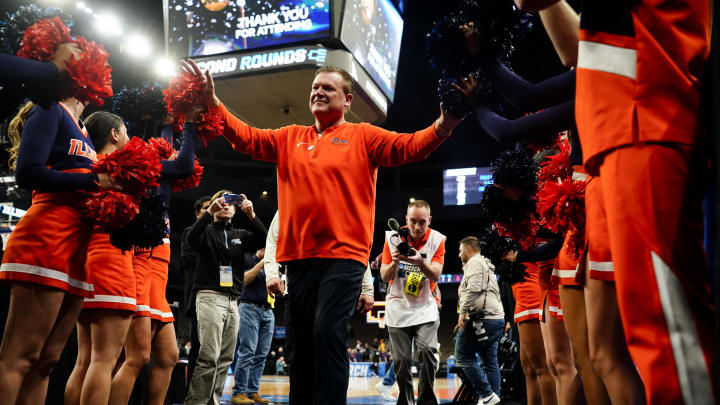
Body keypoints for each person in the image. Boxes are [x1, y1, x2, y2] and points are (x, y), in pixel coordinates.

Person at [181, 58, 461, 404]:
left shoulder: (363, 135)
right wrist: (213, 104)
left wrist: (445, 124)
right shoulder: (289, 137)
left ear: (348, 100)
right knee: (300, 344)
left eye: (328, 87)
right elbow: (245, 138)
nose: (318, 92)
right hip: (298, 259)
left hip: (343, 257)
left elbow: (409, 146)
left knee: (327, 332)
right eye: (315, 87)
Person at [0, 96, 119, 404]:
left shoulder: (84, 131)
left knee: (46, 363)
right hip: (46, 239)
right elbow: (28, 173)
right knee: (20, 357)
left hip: (78, 252)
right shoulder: (50, 109)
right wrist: (94, 180)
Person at [109, 111, 200, 405]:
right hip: (141, 260)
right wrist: (189, 123)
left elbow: (165, 148)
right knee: (136, 358)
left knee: (169, 356)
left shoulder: (153, 164)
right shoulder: (137, 166)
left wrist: (168, 123)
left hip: (159, 265)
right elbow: (182, 164)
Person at [63, 112, 133, 405]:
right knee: (104, 361)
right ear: (114, 135)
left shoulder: (86, 166)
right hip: (113, 265)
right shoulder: (120, 172)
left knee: (85, 360)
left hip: (86, 264)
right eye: (125, 132)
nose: (129, 138)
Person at [184, 190, 267, 405]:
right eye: (222, 203)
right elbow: (192, 238)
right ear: (213, 207)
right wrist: (207, 214)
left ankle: (214, 401)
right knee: (208, 357)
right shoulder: (204, 231)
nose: (227, 206)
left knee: (225, 359)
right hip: (210, 297)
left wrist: (251, 215)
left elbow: (266, 240)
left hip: (233, 301)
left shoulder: (239, 234)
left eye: (232, 204)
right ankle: (196, 403)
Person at [380, 200, 446, 405]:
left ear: (430, 220)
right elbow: (383, 275)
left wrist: (419, 262)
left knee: (426, 351)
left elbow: (435, 274)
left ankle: (426, 401)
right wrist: (395, 262)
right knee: (401, 361)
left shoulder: (437, 240)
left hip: (425, 307)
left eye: (422, 222)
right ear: (406, 220)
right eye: (413, 222)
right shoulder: (392, 238)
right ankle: (405, 400)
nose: (417, 227)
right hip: (398, 307)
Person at [455, 236, 505, 405]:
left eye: (460, 250)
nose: (459, 254)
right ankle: (493, 399)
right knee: (490, 362)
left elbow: (474, 288)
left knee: (462, 356)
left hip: (483, 319)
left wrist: (462, 313)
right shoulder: (485, 264)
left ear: (468, 249)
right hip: (495, 319)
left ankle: (488, 395)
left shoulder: (475, 262)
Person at [230, 247, 274, 405]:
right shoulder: (247, 258)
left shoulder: (272, 265)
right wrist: (261, 263)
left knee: (261, 355)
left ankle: (252, 391)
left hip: (268, 311)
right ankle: (238, 392)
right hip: (249, 308)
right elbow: (244, 280)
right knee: (247, 352)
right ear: (261, 249)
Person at [181, 195, 211, 386]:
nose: (211, 210)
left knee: (215, 350)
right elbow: (191, 258)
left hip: (220, 297)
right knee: (199, 349)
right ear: (197, 212)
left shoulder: (221, 233)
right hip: (198, 296)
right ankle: (192, 395)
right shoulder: (189, 233)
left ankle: (208, 393)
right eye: (207, 208)